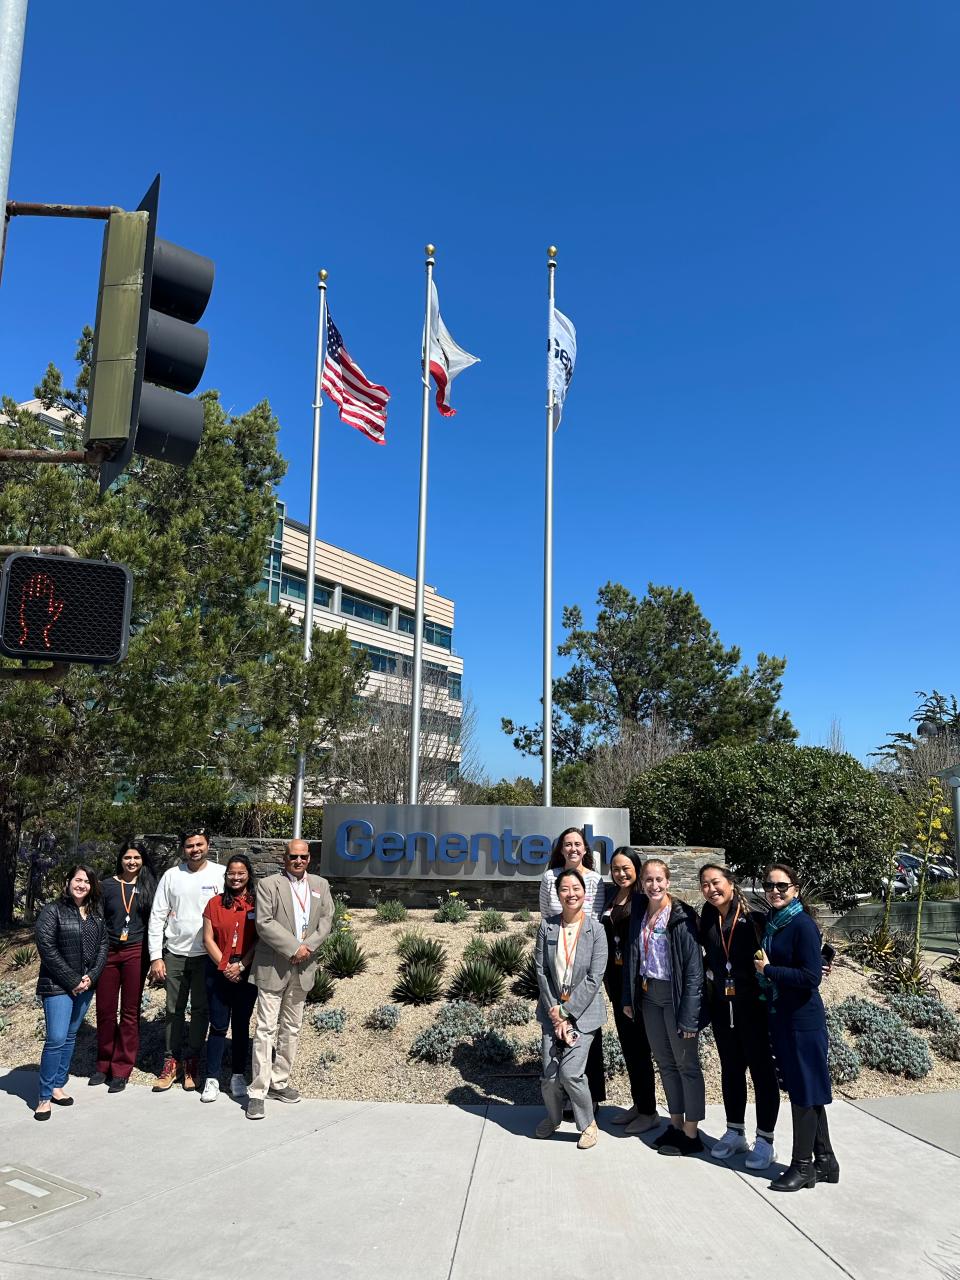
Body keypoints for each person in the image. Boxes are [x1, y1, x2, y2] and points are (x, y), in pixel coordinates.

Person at [754, 861, 839, 1192]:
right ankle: (826, 1160)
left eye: (781, 886)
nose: (774, 891)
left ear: (795, 890)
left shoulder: (802, 925)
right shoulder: (776, 923)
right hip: (785, 1016)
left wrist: (769, 971)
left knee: (804, 1093)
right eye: (769, 886)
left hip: (803, 1019)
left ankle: (802, 1166)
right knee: (809, 1089)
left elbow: (810, 977)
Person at [699, 863, 780, 1169]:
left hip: (753, 1008)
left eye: (716, 882)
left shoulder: (754, 918)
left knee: (761, 1073)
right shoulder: (707, 916)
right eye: (705, 884)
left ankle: (765, 1140)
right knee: (731, 1069)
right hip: (722, 1007)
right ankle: (735, 1132)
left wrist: (824, 957)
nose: (711, 889)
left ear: (731, 883)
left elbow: (784, 944)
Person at [623, 858, 705, 1156]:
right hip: (649, 996)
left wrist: (689, 1015)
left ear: (667, 881)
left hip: (676, 997)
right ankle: (675, 1124)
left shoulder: (681, 916)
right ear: (641, 884)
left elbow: (694, 970)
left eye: (659, 879)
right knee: (666, 1064)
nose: (654, 885)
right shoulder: (640, 913)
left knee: (687, 1066)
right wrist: (629, 998)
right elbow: (634, 957)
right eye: (648, 880)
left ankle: (692, 1135)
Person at [246, 839, 333, 1120]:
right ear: (285, 858)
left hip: (304, 966)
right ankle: (258, 1092)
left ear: (309, 859)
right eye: (293, 856)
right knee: (265, 1029)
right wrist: (294, 947)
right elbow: (264, 922)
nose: (298, 861)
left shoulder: (321, 885)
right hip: (274, 965)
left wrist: (307, 948)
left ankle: (279, 1082)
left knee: (292, 1028)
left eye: (303, 857)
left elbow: (327, 920)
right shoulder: (268, 885)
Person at [533, 868, 608, 1150]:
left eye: (575, 889)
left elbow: (594, 977)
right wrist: (555, 1010)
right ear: (558, 894)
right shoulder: (547, 927)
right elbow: (541, 971)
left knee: (571, 1073)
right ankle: (553, 1119)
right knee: (550, 1077)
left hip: (583, 1013)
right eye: (564, 889)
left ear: (584, 894)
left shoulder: (596, 930)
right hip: (552, 1011)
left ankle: (588, 1124)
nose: (570, 894)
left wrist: (567, 1012)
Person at [147, 828, 225, 1093]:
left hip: (207, 957)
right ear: (184, 849)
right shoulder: (171, 876)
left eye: (199, 844)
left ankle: (192, 1062)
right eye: (190, 845)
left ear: (208, 845)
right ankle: (171, 1062)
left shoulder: (220, 874)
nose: (195, 849)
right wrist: (156, 957)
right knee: (173, 1010)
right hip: (176, 954)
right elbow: (157, 917)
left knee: (201, 1010)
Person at [539, 826, 606, 1113]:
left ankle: (590, 1101)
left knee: (587, 1032)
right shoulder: (549, 878)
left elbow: (596, 915)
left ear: (585, 849)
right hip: (560, 952)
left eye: (578, 844)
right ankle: (564, 1099)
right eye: (567, 844)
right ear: (561, 849)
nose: (573, 849)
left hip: (586, 954)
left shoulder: (595, 880)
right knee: (558, 1038)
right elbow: (545, 914)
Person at [34, 865, 108, 1121]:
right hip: (57, 986)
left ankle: (57, 1085)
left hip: (85, 986)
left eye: (87, 881)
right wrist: (72, 979)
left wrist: (91, 976)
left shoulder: (96, 913)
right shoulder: (53, 910)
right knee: (55, 1038)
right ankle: (44, 1096)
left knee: (69, 1036)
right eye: (78, 880)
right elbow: (46, 947)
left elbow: (103, 946)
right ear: (68, 882)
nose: (82, 885)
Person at [600, 848, 659, 1135]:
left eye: (626, 868)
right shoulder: (611, 896)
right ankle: (639, 1104)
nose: (621, 873)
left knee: (639, 1048)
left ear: (636, 868)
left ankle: (649, 1111)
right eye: (615, 868)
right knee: (629, 1047)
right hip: (615, 981)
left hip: (635, 984)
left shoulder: (643, 899)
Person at [92, 841, 157, 1093]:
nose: (132, 862)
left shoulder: (149, 886)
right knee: (105, 1011)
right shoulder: (106, 886)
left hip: (135, 953)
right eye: (128, 857)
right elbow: (97, 919)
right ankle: (103, 1064)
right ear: (120, 859)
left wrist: (155, 957)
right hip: (108, 953)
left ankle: (121, 1068)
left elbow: (156, 920)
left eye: (137, 857)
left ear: (143, 860)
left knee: (129, 1013)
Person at [200, 854, 258, 1103]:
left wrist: (241, 965)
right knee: (218, 1026)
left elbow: (260, 939)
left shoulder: (257, 904)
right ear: (225, 877)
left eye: (240, 873)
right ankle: (211, 1078)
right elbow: (207, 939)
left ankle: (237, 1075)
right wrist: (225, 967)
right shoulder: (214, 903)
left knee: (242, 1026)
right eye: (231, 873)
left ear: (248, 875)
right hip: (218, 971)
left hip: (246, 972)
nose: (235, 878)